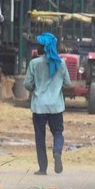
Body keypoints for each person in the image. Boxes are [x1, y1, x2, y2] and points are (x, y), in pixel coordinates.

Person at [24, 32, 68, 175]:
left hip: (39, 107)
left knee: (40, 136)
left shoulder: (34, 63)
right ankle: (57, 152)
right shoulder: (61, 63)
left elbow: (27, 84)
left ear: (41, 48)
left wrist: (36, 88)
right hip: (56, 106)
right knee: (58, 132)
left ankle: (43, 168)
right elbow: (67, 83)